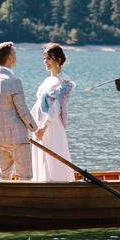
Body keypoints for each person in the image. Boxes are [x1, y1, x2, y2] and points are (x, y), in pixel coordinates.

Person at [0, 42, 36, 180]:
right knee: (25, 176)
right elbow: (23, 110)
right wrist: (36, 129)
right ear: (11, 57)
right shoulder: (14, 81)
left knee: (3, 175)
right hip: (17, 137)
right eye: (15, 54)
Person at [31, 43, 76, 182]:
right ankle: (41, 180)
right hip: (39, 125)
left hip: (52, 126)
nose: (46, 62)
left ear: (58, 59)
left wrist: (44, 128)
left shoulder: (64, 82)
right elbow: (38, 105)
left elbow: (56, 108)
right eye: (44, 58)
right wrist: (32, 125)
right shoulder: (47, 81)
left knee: (54, 154)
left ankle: (58, 182)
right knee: (41, 156)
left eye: (48, 58)